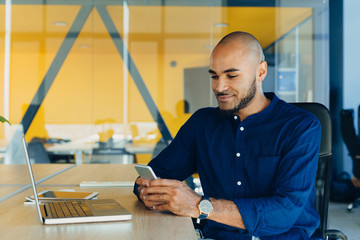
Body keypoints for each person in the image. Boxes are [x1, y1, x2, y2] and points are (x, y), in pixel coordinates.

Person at [134, 31, 322, 240]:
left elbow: (283, 213)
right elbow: (155, 173)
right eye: (214, 76)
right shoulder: (202, 123)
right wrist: (150, 192)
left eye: (231, 75)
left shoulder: (300, 126)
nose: (219, 87)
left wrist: (199, 205)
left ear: (261, 72)